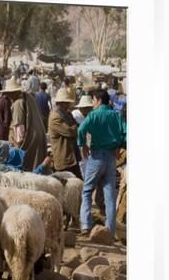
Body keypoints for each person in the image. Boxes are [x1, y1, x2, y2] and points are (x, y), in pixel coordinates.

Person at [78, 90, 127, 240]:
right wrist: (121, 145)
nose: (93, 103)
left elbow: (81, 129)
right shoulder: (116, 115)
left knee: (87, 191)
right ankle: (110, 231)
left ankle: (86, 225)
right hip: (111, 157)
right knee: (110, 195)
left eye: (93, 100)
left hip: (96, 156)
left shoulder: (93, 115)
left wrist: (83, 145)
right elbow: (126, 133)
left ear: (98, 100)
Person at [3, 76, 47, 171]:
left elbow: (19, 127)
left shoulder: (18, 103)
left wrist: (18, 146)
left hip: (29, 140)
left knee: (28, 168)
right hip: (37, 136)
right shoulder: (28, 97)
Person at [48, 88, 82, 179]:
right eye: (66, 103)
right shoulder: (55, 116)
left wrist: (74, 128)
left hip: (72, 155)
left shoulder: (67, 114)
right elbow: (70, 132)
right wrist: (74, 127)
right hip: (63, 157)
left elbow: (75, 128)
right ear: (60, 103)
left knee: (77, 182)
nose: (68, 105)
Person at [72, 94, 94, 177]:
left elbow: (90, 131)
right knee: (81, 162)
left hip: (88, 142)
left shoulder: (91, 115)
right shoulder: (75, 115)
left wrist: (88, 144)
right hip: (78, 143)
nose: (87, 110)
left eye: (89, 108)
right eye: (86, 108)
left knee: (87, 161)